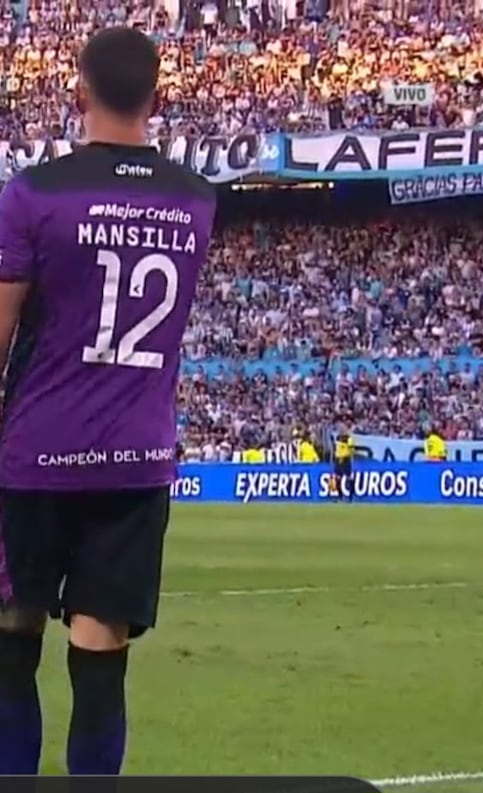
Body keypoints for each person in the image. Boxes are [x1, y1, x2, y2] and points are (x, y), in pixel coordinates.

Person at [0, 28, 216, 776]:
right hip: (136, 457)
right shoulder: (197, 201)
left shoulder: (32, 194)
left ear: (77, 94)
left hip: (33, 455)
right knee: (100, 665)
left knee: (9, 645)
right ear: (158, 99)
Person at [332, 429, 354, 501]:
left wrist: (348, 454)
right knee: (337, 478)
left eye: (343, 430)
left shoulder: (349, 439)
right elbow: (336, 449)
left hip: (345, 459)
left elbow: (351, 449)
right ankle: (340, 496)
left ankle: (350, 497)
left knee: (349, 478)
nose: (341, 431)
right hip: (338, 460)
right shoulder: (338, 438)